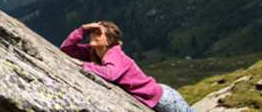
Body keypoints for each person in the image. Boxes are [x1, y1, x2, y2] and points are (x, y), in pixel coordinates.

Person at [60, 21, 194, 112]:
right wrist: (82, 29)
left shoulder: (114, 54)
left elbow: (110, 73)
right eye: (92, 32)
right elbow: (66, 49)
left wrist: (85, 65)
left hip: (163, 98)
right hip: (158, 97)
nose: (93, 35)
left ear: (109, 40)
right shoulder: (93, 52)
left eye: (98, 33)